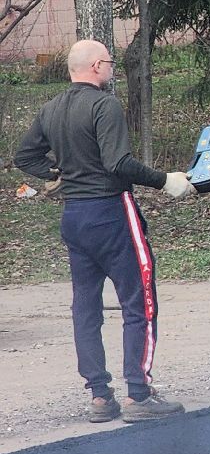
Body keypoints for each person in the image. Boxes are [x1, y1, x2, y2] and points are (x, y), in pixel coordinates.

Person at [13, 39, 194, 423]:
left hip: (74, 218)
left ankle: (99, 396)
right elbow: (118, 163)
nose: (113, 68)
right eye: (110, 62)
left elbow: (23, 156)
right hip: (112, 212)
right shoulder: (104, 105)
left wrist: (55, 173)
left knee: (86, 307)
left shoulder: (51, 109)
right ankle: (138, 395)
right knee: (139, 302)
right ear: (96, 65)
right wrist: (166, 180)